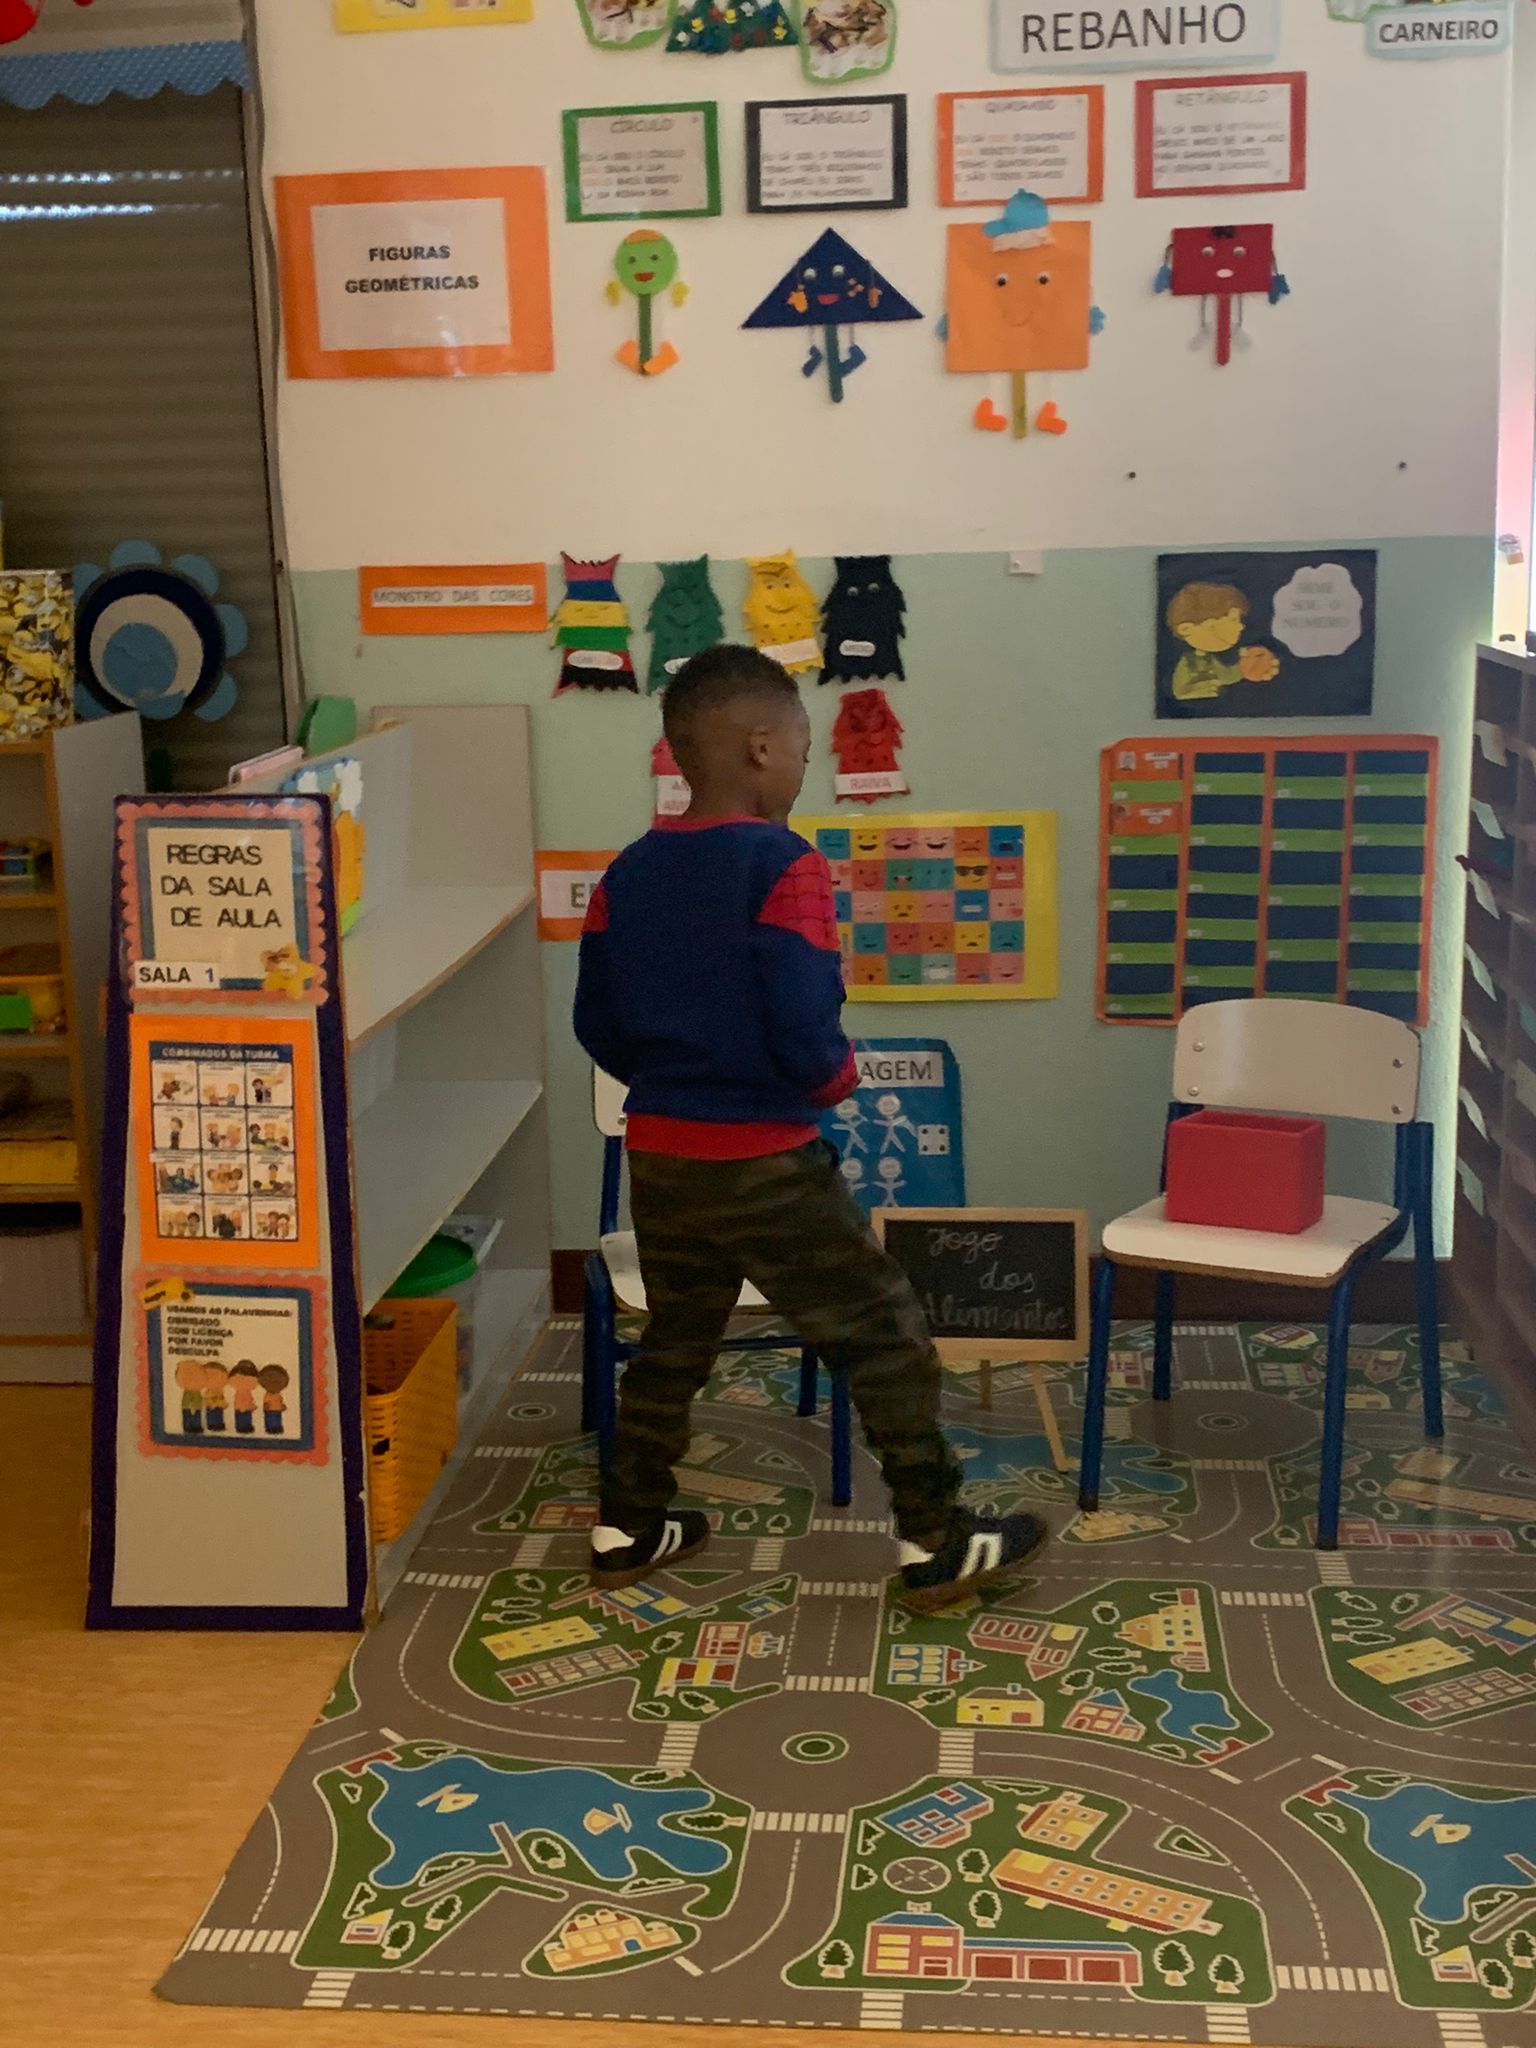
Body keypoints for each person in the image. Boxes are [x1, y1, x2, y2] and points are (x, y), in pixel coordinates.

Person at [574, 644, 1047, 1609]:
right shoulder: (784, 862)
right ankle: (937, 1540)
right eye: (800, 748)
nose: (803, 767)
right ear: (760, 747)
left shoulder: (627, 870)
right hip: (763, 1158)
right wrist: (831, 1079)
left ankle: (628, 1523)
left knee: (676, 1337)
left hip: (661, 1153)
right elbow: (801, 1013)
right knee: (883, 1334)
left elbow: (596, 1023)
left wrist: (668, 1081)